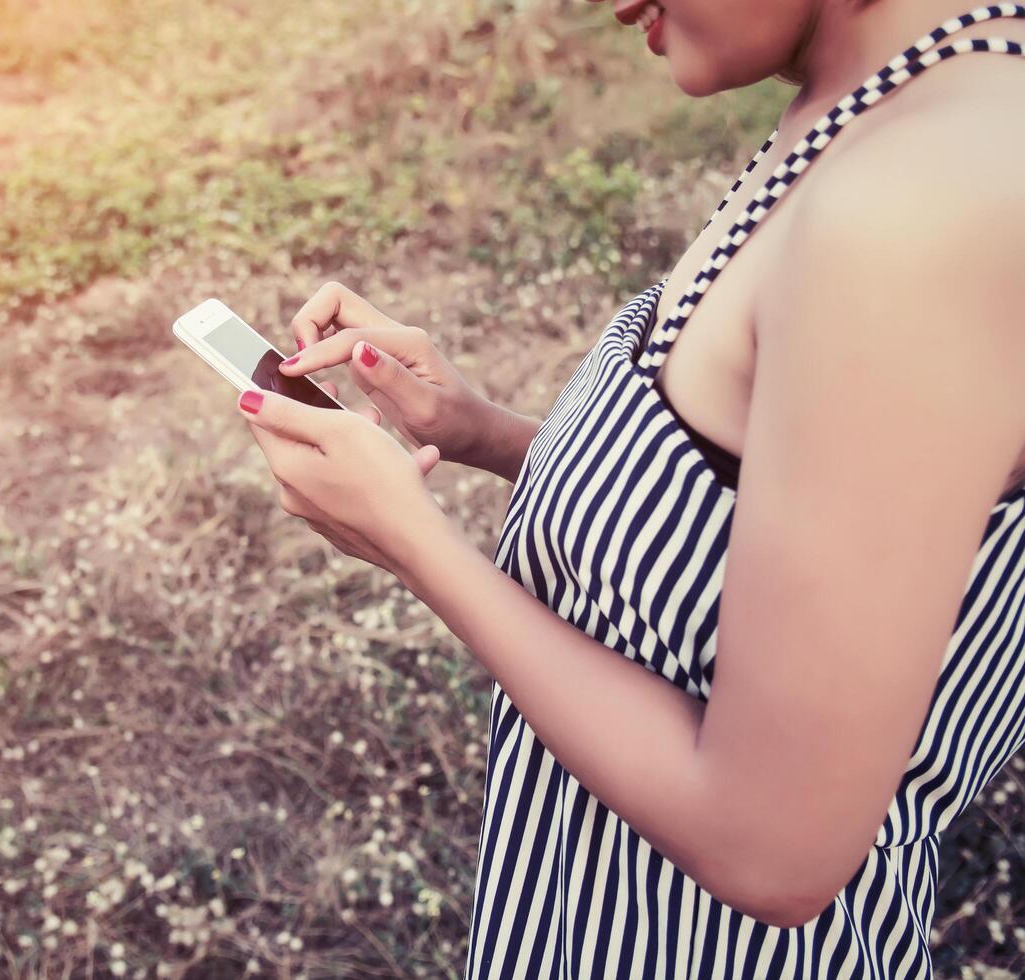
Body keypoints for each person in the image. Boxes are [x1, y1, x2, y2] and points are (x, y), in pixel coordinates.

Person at [234, 0, 1025, 976]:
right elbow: (761, 516)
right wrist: (479, 432)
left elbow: (774, 845)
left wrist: (417, 542)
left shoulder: (926, 205)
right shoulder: (871, 108)